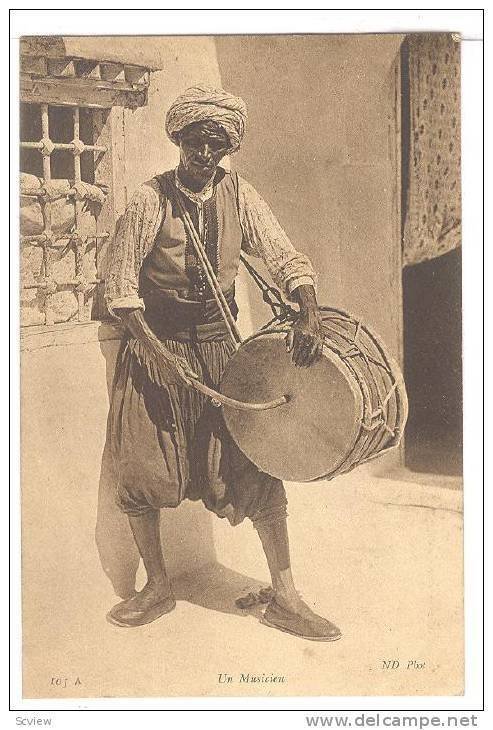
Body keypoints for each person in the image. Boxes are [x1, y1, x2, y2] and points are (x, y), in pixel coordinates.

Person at [104, 85, 341, 641]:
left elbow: (282, 254)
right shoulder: (148, 199)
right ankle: (157, 586)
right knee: (142, 466)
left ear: (226, 148)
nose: (205, 157)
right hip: (153, 349)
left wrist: (306, 308)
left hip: (220, 352)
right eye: (195, 144)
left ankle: (285, 596)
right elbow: (119, 288)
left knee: (253, 464)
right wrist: (158, 355)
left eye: (216, 147)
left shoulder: (241, 194)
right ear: (179, 141)